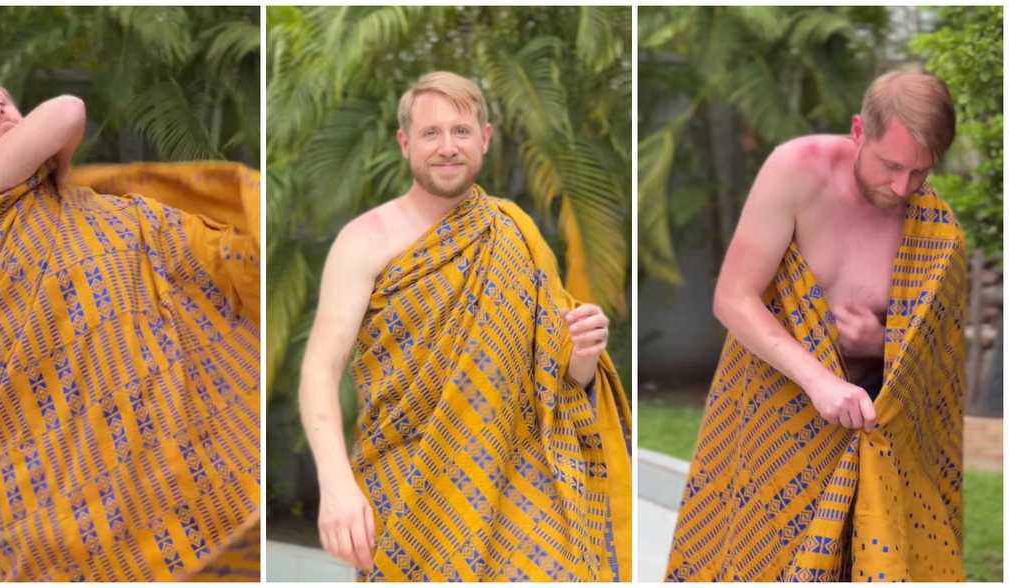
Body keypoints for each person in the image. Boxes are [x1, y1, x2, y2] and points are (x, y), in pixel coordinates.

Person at [298, 71, 631, 581]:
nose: (447, 147)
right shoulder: (364, 241)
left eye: (460, 131)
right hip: (409, 482)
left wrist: (584, 353)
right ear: (405, 143)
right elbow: (320, 369)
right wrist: (336, 483)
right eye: (431, 133)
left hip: (521, 481)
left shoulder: (515, 232)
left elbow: (561, 378)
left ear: (485, 139)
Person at [0, 75, 261, 581]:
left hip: (161, 448)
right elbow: (66, 109)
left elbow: (225, 263)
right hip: (57, 451)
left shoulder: (117, 212)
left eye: (1, 102)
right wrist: (55, 153)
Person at [666, 68, 967, 581]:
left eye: (920, 172)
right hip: (779, 414)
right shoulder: (798, 170)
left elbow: (939, 361)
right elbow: (733, 298)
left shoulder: (935, 229)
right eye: (891, 166)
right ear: (857, 131)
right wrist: (820, 381)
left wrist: (882, 341)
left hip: (877, 437)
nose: (902, 187)